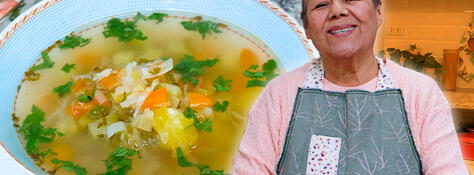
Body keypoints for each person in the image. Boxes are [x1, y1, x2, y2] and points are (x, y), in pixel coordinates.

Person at [232, 0, 469, 174]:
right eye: (321, 5)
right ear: (306, 28)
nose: (337, 10)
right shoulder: (279, 94)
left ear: (378, 12)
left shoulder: (420, 93)